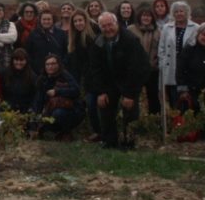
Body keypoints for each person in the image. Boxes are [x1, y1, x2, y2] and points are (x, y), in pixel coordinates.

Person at [87, 12, 149, 149]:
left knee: (130, 111)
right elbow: (95, 69)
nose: (107, 29)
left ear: (116, 24)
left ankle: (129, 142)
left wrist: (130, 94)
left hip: (129, 80)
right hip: (109, 82)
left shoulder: (130, 40)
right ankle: (109, 142)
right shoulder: (98, 42)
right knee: (105, 109)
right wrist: (101, 92)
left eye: (110, 25)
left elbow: (137, 69)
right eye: (104, 26)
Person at [30, 54, 84, 140]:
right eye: (47, 64)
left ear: (58, 64)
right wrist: (36, 120)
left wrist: (57, 92)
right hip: (49, 110)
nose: (50, 66)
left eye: (53, 64)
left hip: (73, 111)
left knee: (58, 114)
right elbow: (38, 101)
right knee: (41, 119)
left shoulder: (65, 75)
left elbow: (76, 91)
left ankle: (66, 132)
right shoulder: (42, 80)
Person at [158, 1, 198, 109]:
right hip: (171, 68)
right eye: (176, 12)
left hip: (188, 68)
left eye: (181, 11)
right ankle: (176, 123)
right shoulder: (166, 28)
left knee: (189, 101)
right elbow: (161, 48)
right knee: (174, 101)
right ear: (173, 14)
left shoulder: (195, 27)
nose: (179, 14)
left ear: (187, 13)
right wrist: (162, 63)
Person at [68, 8, 100, 140]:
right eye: (75, 21)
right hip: (88, 78)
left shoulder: (93, 35)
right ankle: (98, 132)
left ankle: (103, 133)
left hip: (98, 77)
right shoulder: (75, 38)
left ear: (85, 21)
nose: (78, 23)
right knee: (91, 106)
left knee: (98, 106)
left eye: (80, 20)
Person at [129, 8, 161, 114]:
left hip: (152, 69)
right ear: (139, 17)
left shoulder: (158, 30)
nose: (146, 18)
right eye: (143, 15)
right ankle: (134, 122)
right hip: (135, 70)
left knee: (153, 97)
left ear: (152, 18)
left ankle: (155, 121)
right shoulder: (131, 30)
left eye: (148, 16)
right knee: (133, 97)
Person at [25, 9, 66, 77]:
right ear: (40, 20)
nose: (46, 21)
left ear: (53, 20)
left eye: (49, 19)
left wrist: (62, 65)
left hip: (58, 73)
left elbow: (65, 52)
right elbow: (29, 53)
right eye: (44, 19)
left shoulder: (61, 33)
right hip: (38, 73)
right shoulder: (33, 34)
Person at [0, 48, 37, 113]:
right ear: (12, 60)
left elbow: (34, 95)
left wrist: (31, 108)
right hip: (7, 110)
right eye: (16, 60)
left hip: (25, 110)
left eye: (21, 60)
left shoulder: (32, 76)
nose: (19, 62)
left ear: (26, 61)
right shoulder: (5, 73)